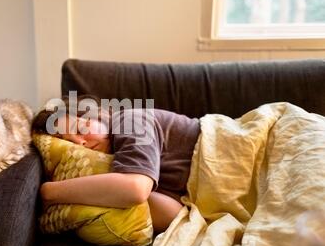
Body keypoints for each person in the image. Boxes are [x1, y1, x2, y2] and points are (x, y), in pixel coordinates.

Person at [32, 95, 201, 233]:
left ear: (95, 115)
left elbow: (136, 189)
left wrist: (51, 192)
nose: (81, 143)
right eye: (71, 144)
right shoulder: (121, 168)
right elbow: (174, 216)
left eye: (80, 129)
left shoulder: (128, 121)